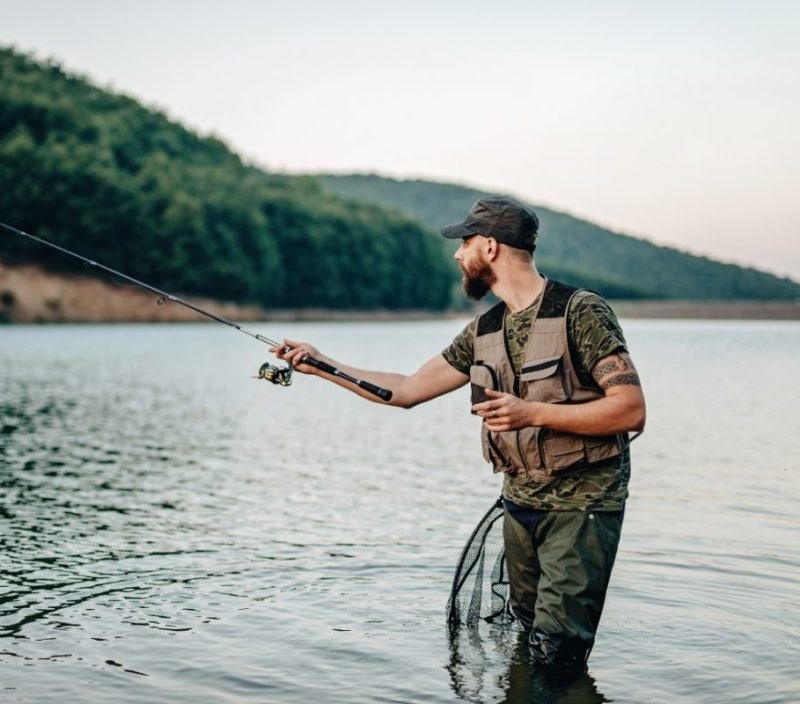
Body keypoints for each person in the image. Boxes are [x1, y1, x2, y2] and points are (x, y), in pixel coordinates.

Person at [271, 195, 645, 669]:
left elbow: (630, 410)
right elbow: (406, 390)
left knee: (557, 653)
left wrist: (532, 413)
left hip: (582, 509)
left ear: (490, 247)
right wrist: (322, 365)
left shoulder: (581, 312)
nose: (456, 254)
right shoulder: (483, 329)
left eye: (464, 242)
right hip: (520, 506)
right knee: (529, 639)